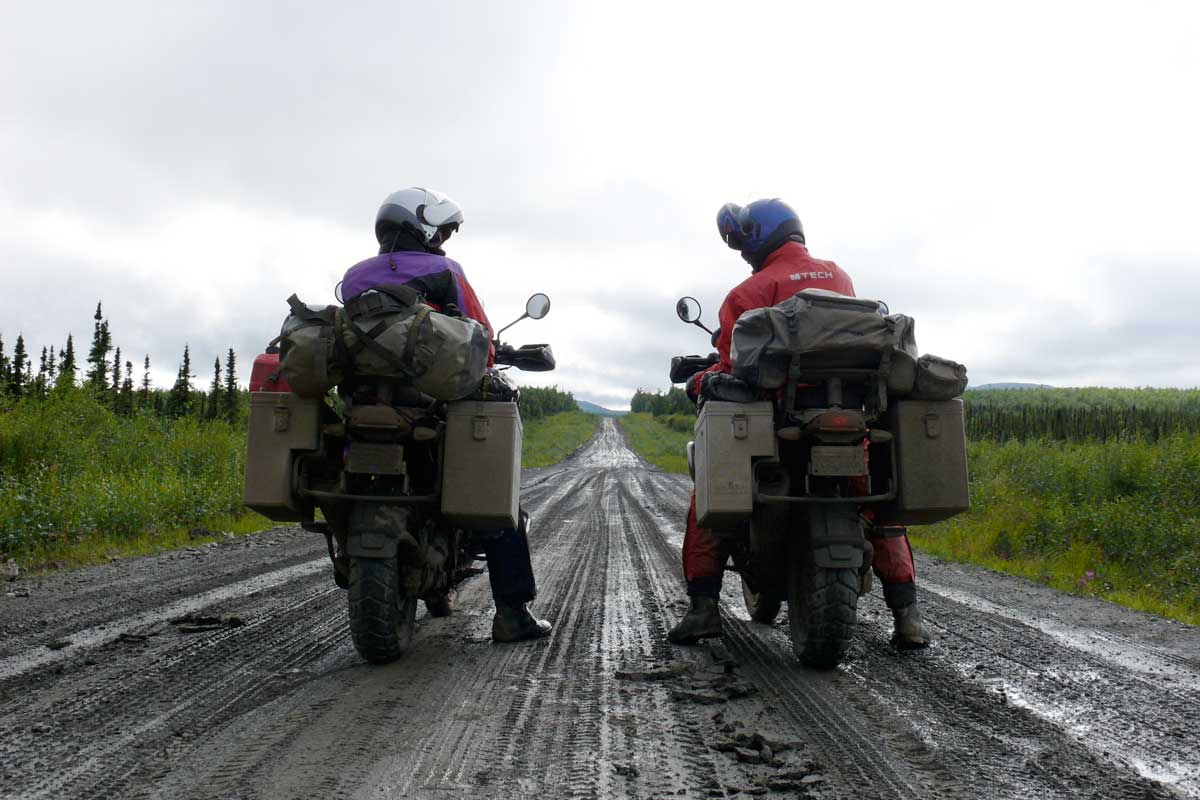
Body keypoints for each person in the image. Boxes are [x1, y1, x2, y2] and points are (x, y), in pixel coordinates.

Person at [667, 198, 932, 649]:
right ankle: (907, 617)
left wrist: (698, 380)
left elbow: (731, 366)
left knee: (713, 494)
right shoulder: (840, 277)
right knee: (878, 510)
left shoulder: (747, 294)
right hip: (849, 418)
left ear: (758, 236)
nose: (743, 251)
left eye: (743, 241)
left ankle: (703, 609)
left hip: (779, 426)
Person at [340, 187, 552, 643]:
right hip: (428, 404)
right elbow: (482, 334)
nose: (443, 239)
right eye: (439, 229)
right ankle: (512, 614)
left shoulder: (355, 275)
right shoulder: (444, 270)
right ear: (422, 226)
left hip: (363, 404)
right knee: (495, 501)